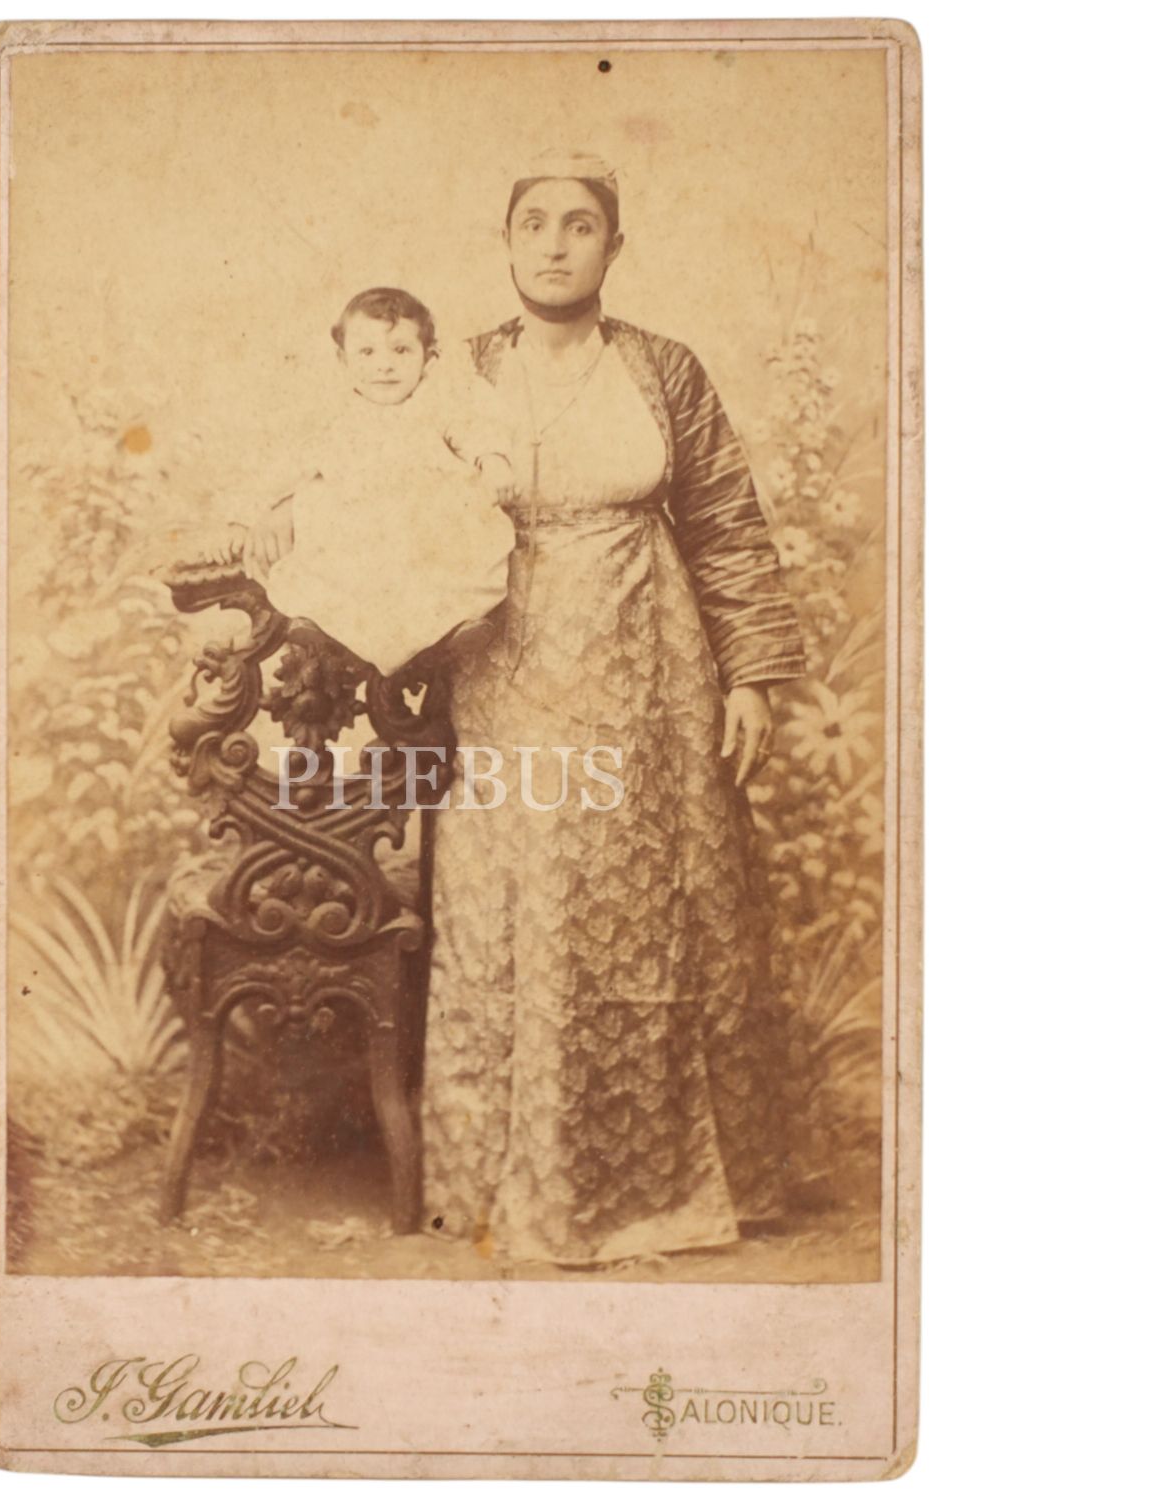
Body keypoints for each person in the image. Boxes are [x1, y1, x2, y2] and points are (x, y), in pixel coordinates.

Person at [413, 150, 810, 1266]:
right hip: (503, 666)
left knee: (656, 906)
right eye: (533, 222)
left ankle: (668, 1189)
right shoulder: (462, 374)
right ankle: (507, 1188)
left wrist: (750, 676)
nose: (554, 243)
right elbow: (384, 496)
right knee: (518, 906)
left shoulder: (663, 369)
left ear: (614, 246)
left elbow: (725, 526)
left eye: (579, 224)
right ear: (505, 242)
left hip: (652, 674)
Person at [254, 286, 517, 677]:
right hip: (363, 533)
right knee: (322, 518)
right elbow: (292, 462)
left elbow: (474, 426)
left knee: (457, 534)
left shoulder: (437, 400)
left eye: (401, 351)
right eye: (367, 352)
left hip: (424, 530)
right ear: (343, 360)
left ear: (428, 357)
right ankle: (322, 618)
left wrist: (491, 459)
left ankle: (456, 621)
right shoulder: (337, 413)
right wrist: (271, 505)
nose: (385, 366)